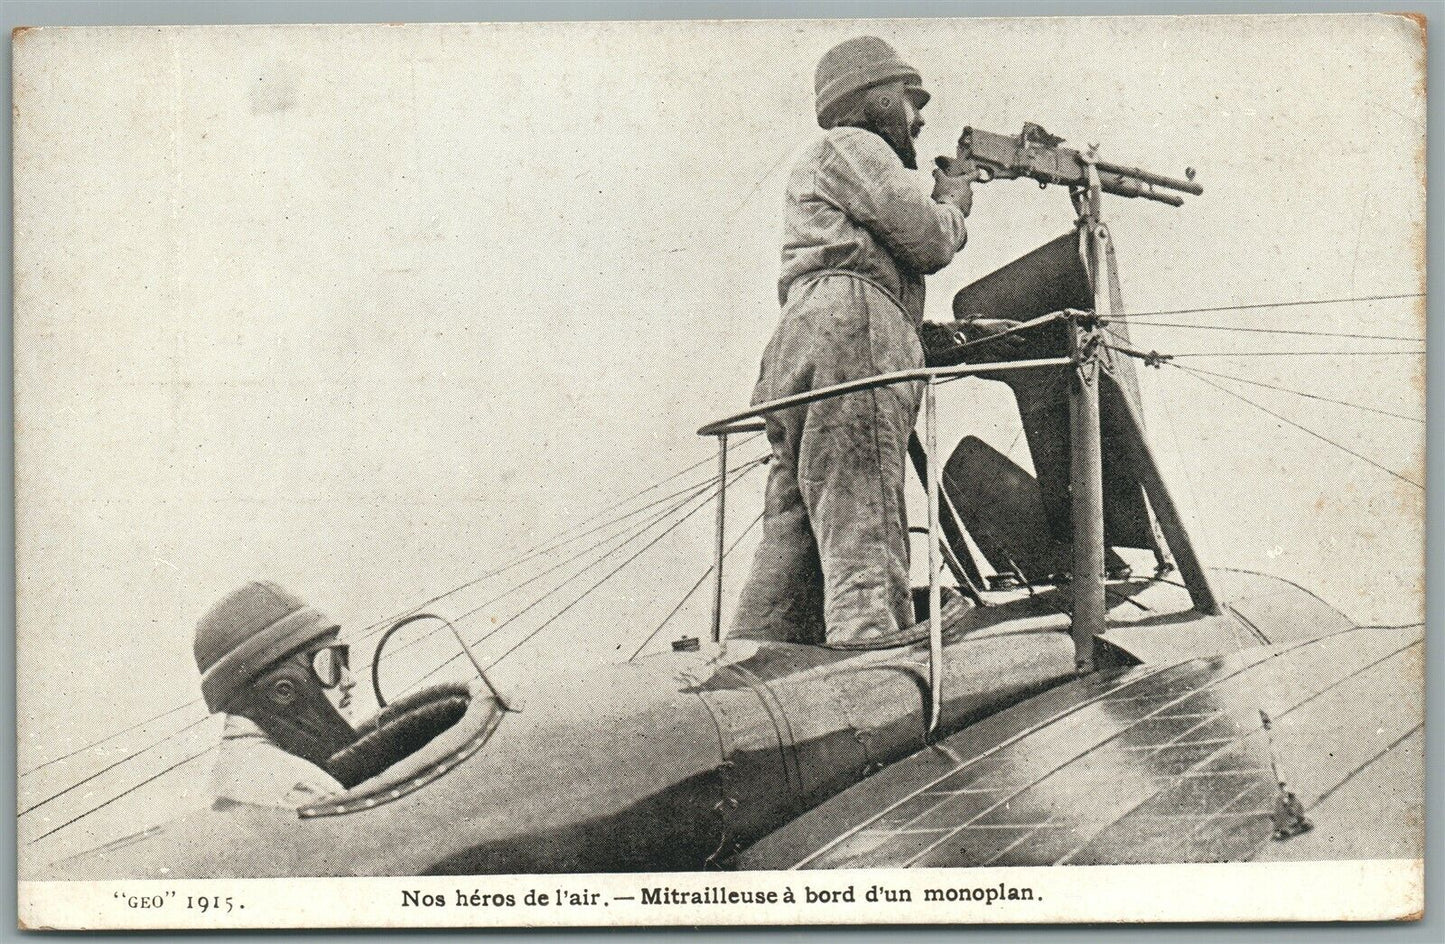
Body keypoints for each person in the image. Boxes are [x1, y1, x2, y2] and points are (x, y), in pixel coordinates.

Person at [731, 36, 1012, 645]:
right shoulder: (855, 146)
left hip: (800, 346)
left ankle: (747, 659)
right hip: (852, 334)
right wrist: (954, 203)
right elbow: (931, 241)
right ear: (874, 98)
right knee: (866, 522)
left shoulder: (827, 162)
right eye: (910, 100)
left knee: (794, 532)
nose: (919, 117)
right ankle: (871, 660)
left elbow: (882, 273)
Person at [193, 580, 358, 808]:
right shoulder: (306, 789)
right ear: (284, 690)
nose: (350, 681)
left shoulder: (230, 776)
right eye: (330, 664)